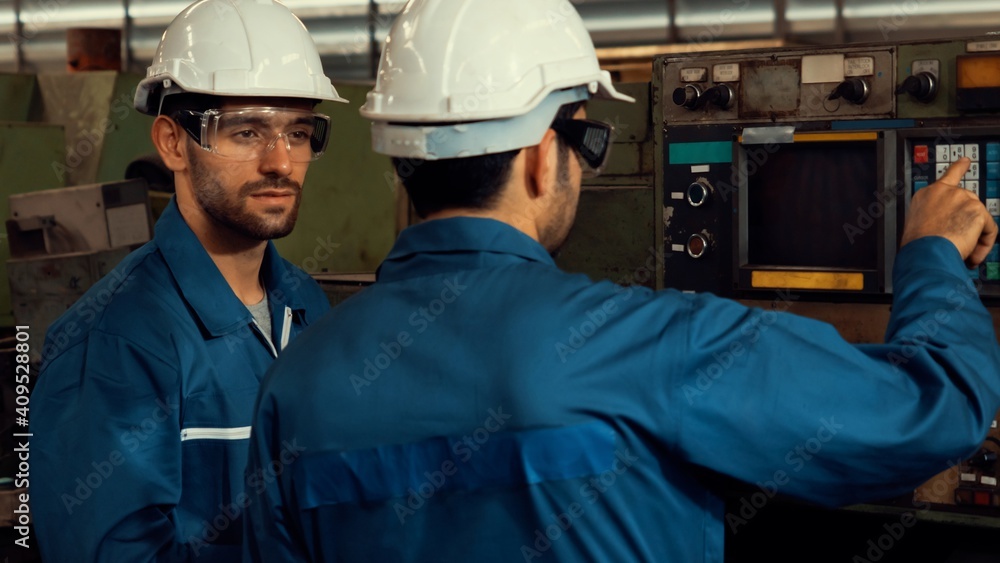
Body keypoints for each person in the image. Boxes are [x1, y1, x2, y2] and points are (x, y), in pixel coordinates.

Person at [244, 0, 1000, 561]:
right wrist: (932, 251)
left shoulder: (293, 385)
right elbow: (931, 409)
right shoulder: (650, 342)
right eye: (585, 137)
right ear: (545, 154)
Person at [30, 0, 345, 560]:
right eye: (247, 132)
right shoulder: (114, 344)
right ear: (173, 143)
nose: (280, 161)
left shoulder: (306, 305)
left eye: (298, 132)